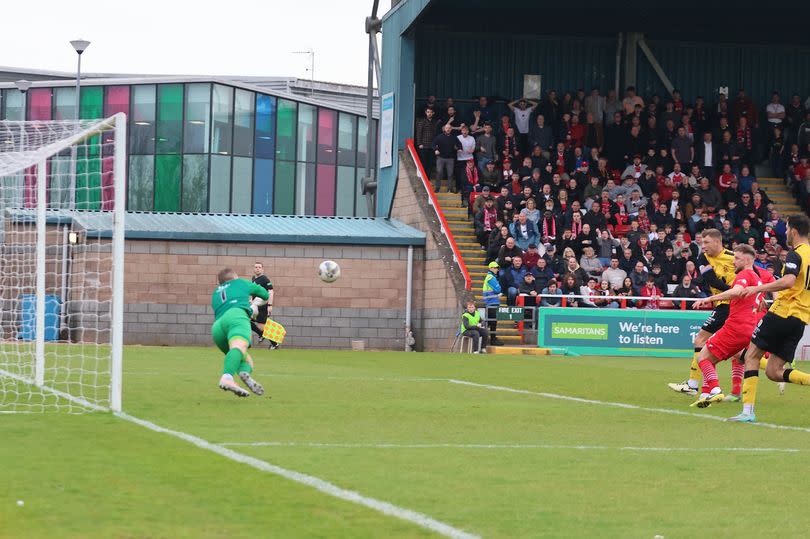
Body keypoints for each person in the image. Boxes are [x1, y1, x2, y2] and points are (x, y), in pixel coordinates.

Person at [728, 215, 810, 423]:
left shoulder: (796, 254)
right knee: (774, 371)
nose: (784, 233)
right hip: (799, 320)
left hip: (783, 313)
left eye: (786, 229)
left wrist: (758, 288)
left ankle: (747, 412)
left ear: (793, 231)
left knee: (751, 356)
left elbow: (789, 281)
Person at [689, 245, 763, 407]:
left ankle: (715, 390)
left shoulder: (744, 274)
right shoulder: (758, 279)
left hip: (736, 326)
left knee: (703, 357)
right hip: (749, 328)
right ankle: (705, 394)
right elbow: (759, 301)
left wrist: (707, 299)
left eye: (737, 258)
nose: (734, 261)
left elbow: (735, 292)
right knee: (713, 359)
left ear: (748, 259)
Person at [667, 229, 738, 396]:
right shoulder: (702, 257)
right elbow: (711, 280)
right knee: (739, 352)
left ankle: (694, 384)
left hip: (729, 305)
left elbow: (753, 274)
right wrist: (735, 291)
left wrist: (743, 293)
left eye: (706, 243)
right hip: (725, 301)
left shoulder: (734, 257)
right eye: (701, 243)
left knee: (701, 339)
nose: (703, 246)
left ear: (717, 241)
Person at [210, 268, 269, 398]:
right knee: (239, 347)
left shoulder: (216, 293)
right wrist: (254, 306)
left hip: (217, 328)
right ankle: (227, 377)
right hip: (236, 317)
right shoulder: (240, 282)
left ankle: (243, 373)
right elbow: (264, 294)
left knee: (245, 359)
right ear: (235, 277)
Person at [249, 262, 278, 349]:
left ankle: (274, 343)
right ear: (254, 269)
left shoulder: (265, 279)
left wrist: (270, 305)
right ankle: (261, 335)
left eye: (259, 267)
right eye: (256, 267)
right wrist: (251, 299)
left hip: (262, 306)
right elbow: (253, 291)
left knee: (261, 326)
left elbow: (271, 292)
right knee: (246, 319)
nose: (257, 268)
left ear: (262, 269)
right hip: (255, 305)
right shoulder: (253, 278)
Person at [482, 262, 505, 346]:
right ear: (490, 268)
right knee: (493, 322)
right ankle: (492, 339)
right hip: (492, 302)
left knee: (491, 322)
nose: (497, 269)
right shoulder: (491, 277)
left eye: (497, 268)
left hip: (490, 302)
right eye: (495, 268)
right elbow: (498, 289)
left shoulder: (490, 277)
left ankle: (490, 338)